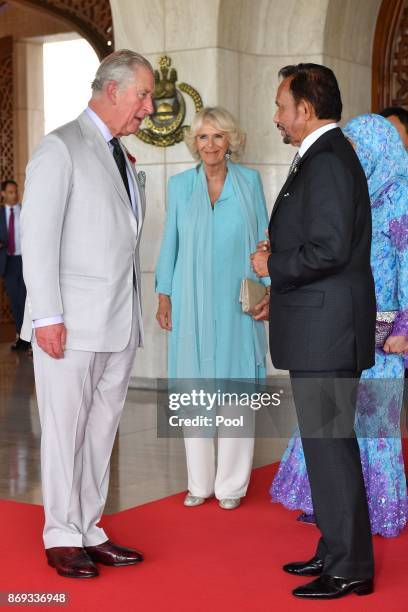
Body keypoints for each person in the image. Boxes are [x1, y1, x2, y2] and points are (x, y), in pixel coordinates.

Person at [20, 49, 154, 579]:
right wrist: (46, 315)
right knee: (64, 431)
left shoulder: (121, 155)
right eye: (142, 94)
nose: (148, 107)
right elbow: (39, 238)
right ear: (113, 89)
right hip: (70, 325)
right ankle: (59, 533)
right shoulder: (61, 147)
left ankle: (90, 528)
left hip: (120, 322)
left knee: (101, 432)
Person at [251, 63, 375, 600]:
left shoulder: (327, 160)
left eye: (282, 106)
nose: (276, 116)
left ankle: (351, 567)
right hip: (319, 326)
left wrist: (272, 265)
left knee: (330, 446)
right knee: (325, 444)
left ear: (306, 109)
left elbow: (327, 249)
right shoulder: (322, 157)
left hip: (326, 332)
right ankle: (335, 546)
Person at [271, 114, 408, 537]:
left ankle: (379, 510)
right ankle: (332, 509)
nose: (350, 154)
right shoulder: (355, 191)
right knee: (331, 421)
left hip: (384, 331)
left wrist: (404, 325)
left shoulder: (401, 195)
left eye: (356, 147)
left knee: (374, 424)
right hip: (344, 323)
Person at [155, 106, 269, 511]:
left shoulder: (249, 182)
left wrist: (267, 289)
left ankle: (232, 485)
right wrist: (164, 293)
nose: (210, 145)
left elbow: (263, 240)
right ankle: (199, 482)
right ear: (194, 143)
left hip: (238, 301)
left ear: (230, 142)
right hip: (191, 299)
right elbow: (171, 242)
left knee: (236, 389)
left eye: (218, 137)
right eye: (203, 137)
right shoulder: (180, 185)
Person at [0, 180, 30, 351]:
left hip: (25, 261)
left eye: (16, 191)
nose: (14, 195)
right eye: (10, 192)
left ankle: (29, 339)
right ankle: (20, 336)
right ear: (3, 194)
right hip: (9, 262)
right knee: (15, 301)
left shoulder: (24, 211)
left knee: (26, 299)